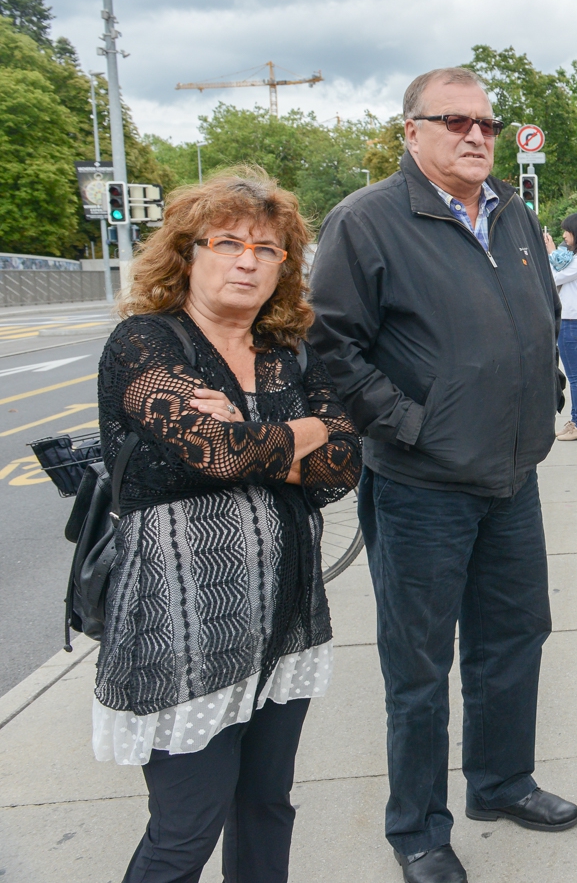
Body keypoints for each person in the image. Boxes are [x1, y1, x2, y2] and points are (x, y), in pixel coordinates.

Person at [309, 67, 577, 883]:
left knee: (513, 640)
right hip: (421, 486)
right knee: (419, 665)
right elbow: (330, 350)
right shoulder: (367, 222)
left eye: (488, 124)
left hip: (511, 478)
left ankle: (500, 783)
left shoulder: (515, 216)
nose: (476, 136)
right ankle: (419, 828)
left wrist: (546, 392)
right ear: (410, 131)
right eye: (455, 121)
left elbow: (542, 320)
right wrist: (410, 426)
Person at [95, 169, 362, 883]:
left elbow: (343, 463)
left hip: (285, 620)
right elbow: (216, 453)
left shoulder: (289, 355)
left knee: (267, 807)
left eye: (268, 249)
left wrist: (267, 431)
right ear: (187, 252)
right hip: (186, 629)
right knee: (186, 830)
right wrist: (302, 431)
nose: (248, 260)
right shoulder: (144, 344)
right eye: (229, 242)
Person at [543, 212, 577, 442]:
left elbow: (553, 277)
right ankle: (576, 421)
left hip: (570, 320)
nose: (564, 235)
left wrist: (550, 252)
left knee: (575, 376)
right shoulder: (574, 256)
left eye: (567, 231)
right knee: (574, 374)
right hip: (568, 319)